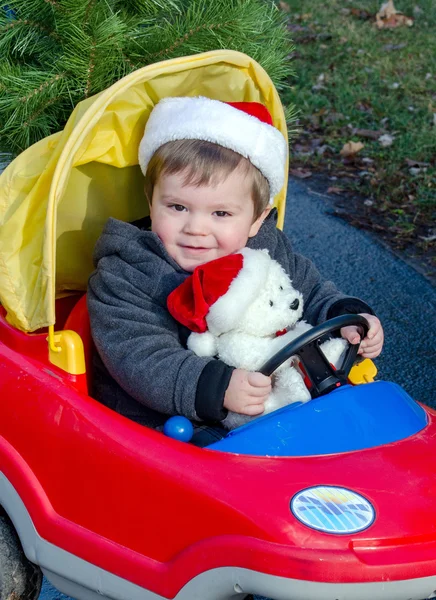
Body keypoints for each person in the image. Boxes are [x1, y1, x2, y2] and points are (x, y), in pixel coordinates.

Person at [87, 96, 384, 444]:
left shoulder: (265, 247)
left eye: (221, 214)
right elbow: (140, 357)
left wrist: (346, 315)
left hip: (273, 406)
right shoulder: (126, 274)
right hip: (168, 426)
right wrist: (215, 387)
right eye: (178, 207)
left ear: (257, 219)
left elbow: (311, 291)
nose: (196, 228)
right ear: (151, 201)